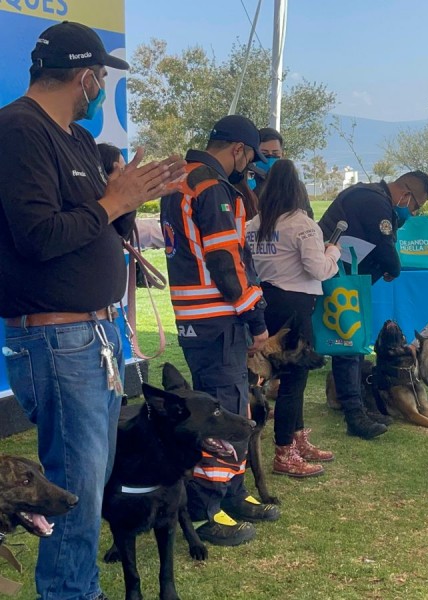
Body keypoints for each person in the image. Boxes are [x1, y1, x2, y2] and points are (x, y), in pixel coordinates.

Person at [0, 21, 184, 600]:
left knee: (88, 481)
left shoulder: (76, 139)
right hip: (58, 341)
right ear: (85, 76)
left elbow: (94, 225)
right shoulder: (19, 131)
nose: (101, 88)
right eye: (100, 77)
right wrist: (114, 200)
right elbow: (39, 236)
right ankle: (73, 593)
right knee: (73, 490)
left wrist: (127, 202)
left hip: (95, 336)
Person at [160, 114, 279, 547]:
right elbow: (226, 260)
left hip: (196, 317)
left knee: (233, 408)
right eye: (250, 159)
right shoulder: (211, 187)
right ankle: (207, 506)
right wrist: (256, 318)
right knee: (222, 412)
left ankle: (231, 491)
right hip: (217, 317)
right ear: (240, 150)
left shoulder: (184, 180)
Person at [319, 171, 428, 439]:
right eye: (416, 205)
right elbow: (385, 248)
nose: (413, 213)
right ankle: (354, 415)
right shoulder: (375, 202)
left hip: (341, 277)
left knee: (354, 342)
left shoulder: (367, 194)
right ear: (406, 194)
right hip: (338, 280)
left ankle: (358, 404)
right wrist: (393, 267)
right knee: (348, 343)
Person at [246, 159, 339, 477]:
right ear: (299, 191)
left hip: (263, 304)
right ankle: (285, 451)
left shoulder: (253, 225)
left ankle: (297, 437)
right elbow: (318, 270)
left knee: (282, 377)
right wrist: (333, 254)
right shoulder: (303, 225)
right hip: (296, 309)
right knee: (293, 380)